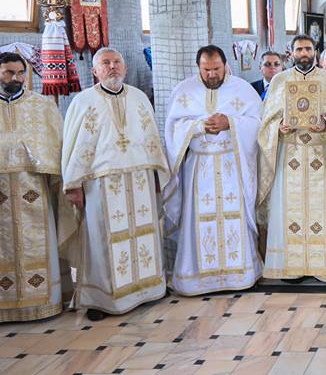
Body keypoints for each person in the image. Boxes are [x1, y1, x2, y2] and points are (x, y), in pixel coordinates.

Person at [61, 48, 169, 320]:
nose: (112, 67)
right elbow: (74, 146)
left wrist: (158, 175)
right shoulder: (83, 101)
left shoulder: (139, 97)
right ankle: (102, 300)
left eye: (117, 62)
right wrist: (74, 185)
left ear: (125, 67)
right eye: (105, 63)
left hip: (141, 179)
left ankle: (147, 290)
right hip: (100, 184)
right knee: (103, 238)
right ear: (95, 71)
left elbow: (152, 139)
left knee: (144, 233)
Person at [162, 46, 263, 296]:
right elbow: (172, 129)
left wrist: (231, 122)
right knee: (198, 219)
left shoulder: (242, 90)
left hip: (232, 166)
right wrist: (198, 126)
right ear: (198, 67)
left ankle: (239, 275)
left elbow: (258, 124)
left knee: (234, 216)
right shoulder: (184, 91)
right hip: (199, 168)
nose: (211, 74)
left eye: (216, 69)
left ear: (225, 65)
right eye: (206, 70)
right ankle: (195, 279)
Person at [257, 35, 326, 283]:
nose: (304, 53)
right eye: (299, 49)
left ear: (315, 51)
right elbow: (266, 120)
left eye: (308, 49)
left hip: (320, 156)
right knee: (287, 210)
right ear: (291, 53)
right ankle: (291, 268)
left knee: (322, 209)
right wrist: (278, 127)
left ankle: (323, 267)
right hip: (288, 155)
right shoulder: (280, 81)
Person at [0, 53, 65, 322]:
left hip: (34, 189)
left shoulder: (42, 106)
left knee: (39, 242)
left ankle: (44, 303)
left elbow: (57, 146)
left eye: (19, 73)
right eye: (8, 72)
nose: (15, 78)